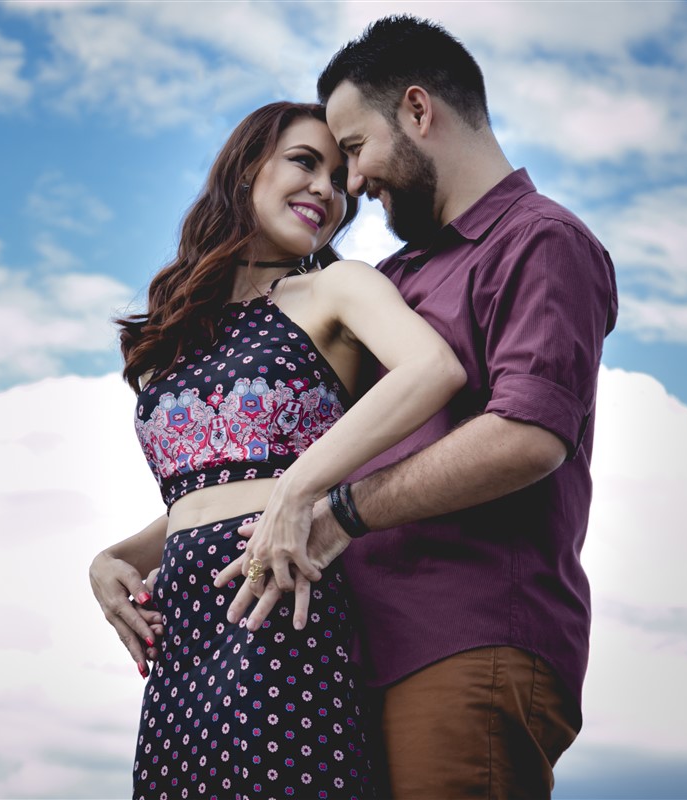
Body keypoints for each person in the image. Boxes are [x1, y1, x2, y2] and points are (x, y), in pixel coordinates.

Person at [217, 16, 619, 798]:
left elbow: (529, 436)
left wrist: (338, 512)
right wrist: (128, 555)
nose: (352, 185)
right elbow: (300, 448)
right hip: (350, 658)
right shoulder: (394, 278)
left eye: (355, 150)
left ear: (417, 110)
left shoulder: (540, 240)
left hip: (467, 642)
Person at [89, 101, 465, 799]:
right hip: (183, 633)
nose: (327, 187)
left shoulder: (335, 288)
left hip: (281, 601)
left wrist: (297, 489)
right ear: (244, 170)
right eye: (304, 161)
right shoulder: (165, 344)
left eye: (338, 174)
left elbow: (433, 370)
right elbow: (201, 499)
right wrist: (113, 560)